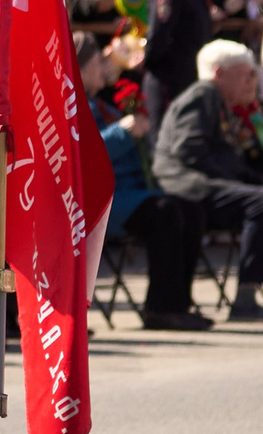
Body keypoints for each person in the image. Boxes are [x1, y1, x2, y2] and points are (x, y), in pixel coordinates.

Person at [152, 40, 263, 322]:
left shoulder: (223, 102)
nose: (252, 80)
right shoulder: (203, 95)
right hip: (188, 184)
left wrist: (258, 178)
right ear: (219, 73)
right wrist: (249, 183)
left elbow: (225, 158)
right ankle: (246, 299)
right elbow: (190, 152)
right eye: (245, 74)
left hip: (208, 181)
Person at [78, 35, 209, 329]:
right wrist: (123, 131)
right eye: (97, 63)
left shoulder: (102, 102)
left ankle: (178, 303)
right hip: (100, 199)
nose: (103, 68)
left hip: (131, 192)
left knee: (191, 210)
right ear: (82, 68)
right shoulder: (72, 105)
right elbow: (81, 153)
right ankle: (160, 309)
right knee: (164, 212)